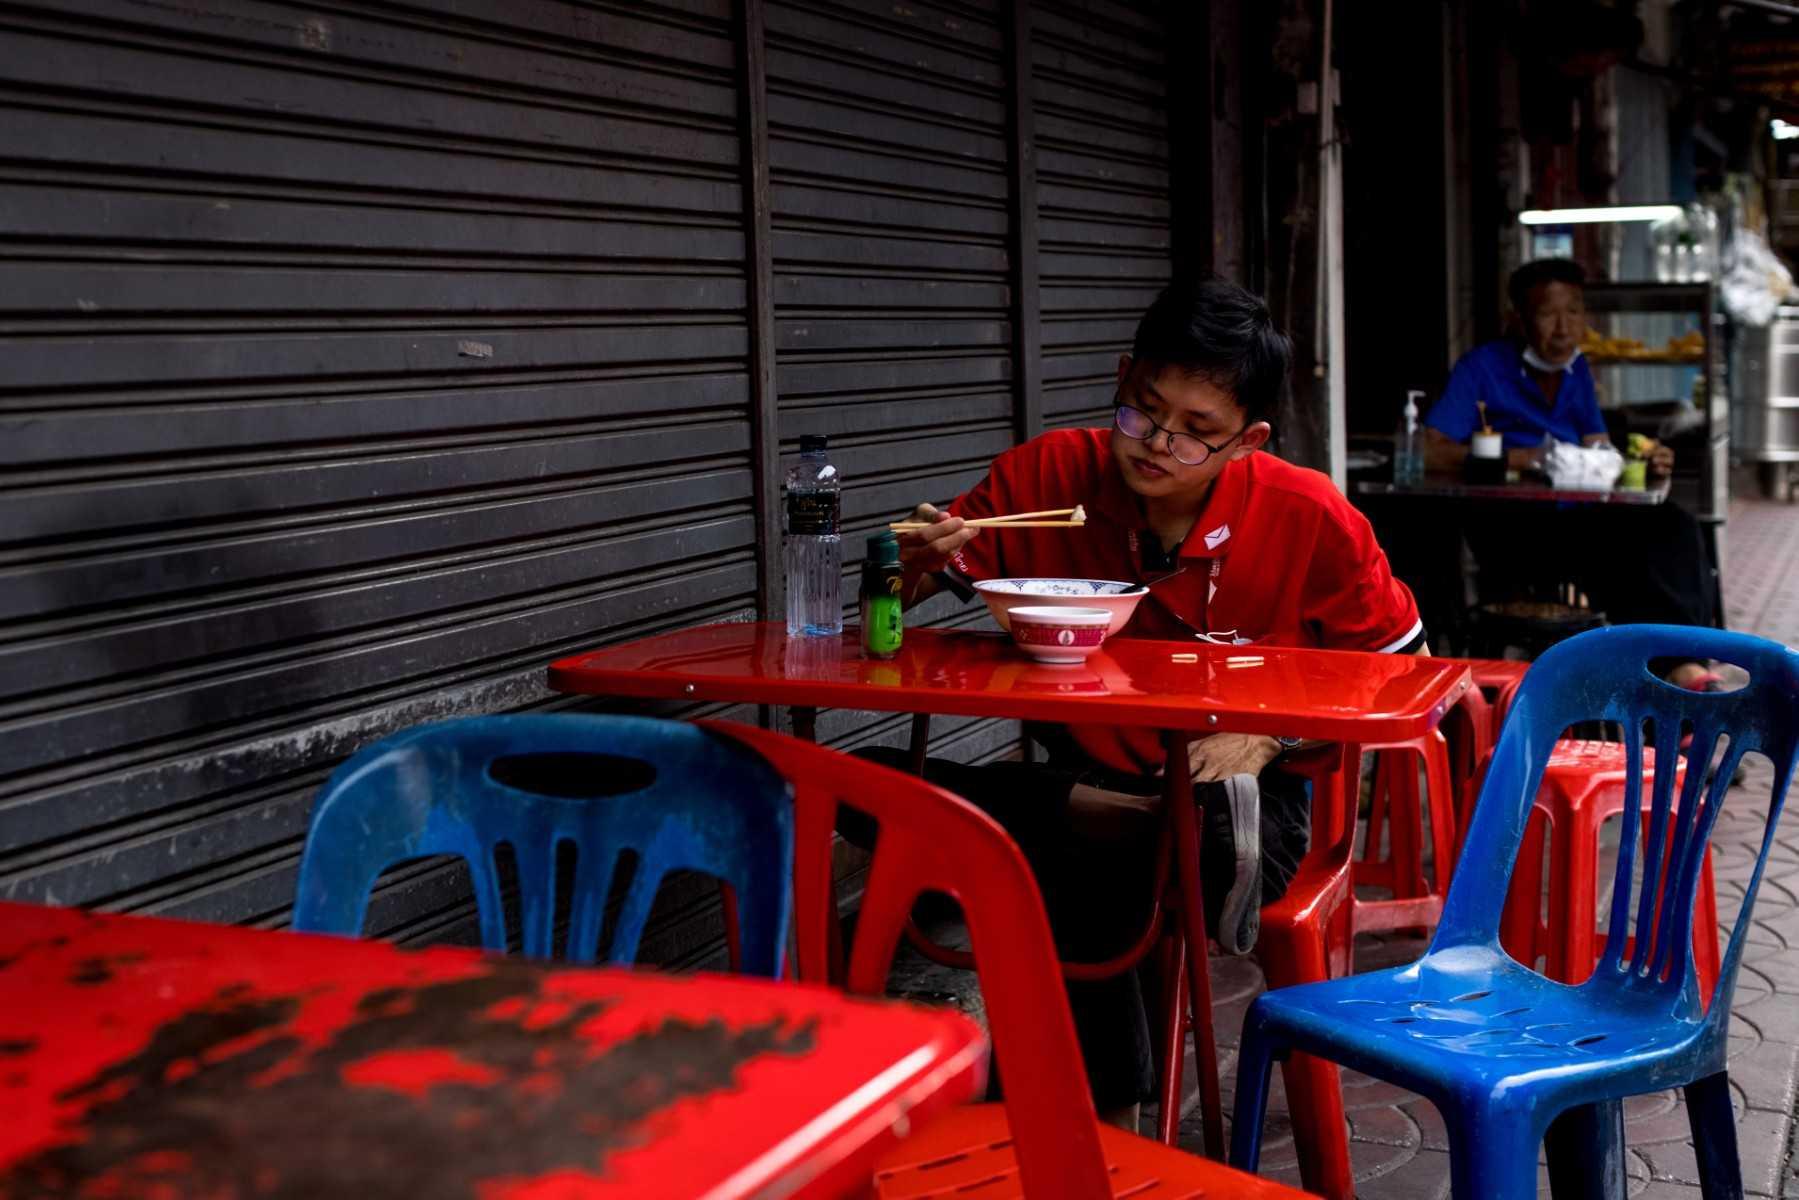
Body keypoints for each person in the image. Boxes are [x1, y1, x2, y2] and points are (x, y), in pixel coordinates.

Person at [888, 277, 1426, 1132]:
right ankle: (1105, 1116)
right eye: (1140, 412)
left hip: (1250, 798)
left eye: (1194, 434)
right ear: (1120, 377)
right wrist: (901, 566)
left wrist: (1268, 736)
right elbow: (902, 594)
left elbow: (1405, 670)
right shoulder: (1048, 475)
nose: (1153, 445)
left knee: (1056, 843)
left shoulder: (1307, 514)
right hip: (1091, 770)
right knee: (880, 781)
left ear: (1246, 440)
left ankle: (1098, 1119)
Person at [1422, 259, 1722, 689]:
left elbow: (1597, 445)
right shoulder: (1482, 367)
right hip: (1511, 530)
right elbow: (1432, 449)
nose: (1564, 328)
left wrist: (1639, 462)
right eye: (1548, 313)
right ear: (1519, 319)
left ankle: (1683, 669)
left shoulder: (1576, 371)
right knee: (1628, 555)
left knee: (1675, 525)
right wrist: (1519, 459)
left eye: (1575, 312)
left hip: (1577, 522)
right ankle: (1667, 677)